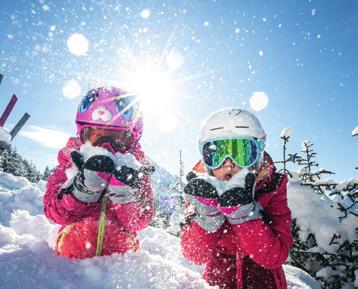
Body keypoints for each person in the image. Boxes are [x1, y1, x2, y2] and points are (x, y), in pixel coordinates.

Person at [181, 108, 293, 289]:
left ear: (258, 156)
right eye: (216, 154)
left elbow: (276, 256)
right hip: (217, 281)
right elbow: (194, 255)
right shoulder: (201, 191)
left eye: (241, 152)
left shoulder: (271, 187)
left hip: (265, 282)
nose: (228, 165)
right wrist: (208, 216)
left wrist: (245, 215)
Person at [44, 86, 154, 259]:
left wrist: (125, 195)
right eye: (96, 136)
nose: (106, 148)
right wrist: (81, 189)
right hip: (69, 265)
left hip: (120, 266)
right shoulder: (70, 162)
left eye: (116, 139)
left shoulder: (137, 172)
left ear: (132, 140)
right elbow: (53, 212)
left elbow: (140, 221)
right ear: (81, 135)